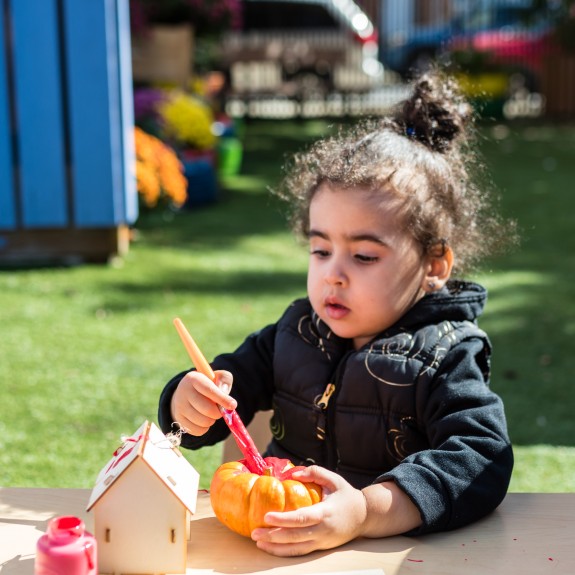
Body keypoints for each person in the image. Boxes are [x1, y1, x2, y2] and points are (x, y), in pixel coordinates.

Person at [158, 70, 514, 557]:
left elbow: (481, 458)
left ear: (435, 265)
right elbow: (227, 389)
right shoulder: (294, 332)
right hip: (275, 548)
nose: (333, 275)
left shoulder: (446, 356)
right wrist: (187, 404)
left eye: (363, 256)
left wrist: (366, 512)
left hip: (389, 561)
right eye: (321, 250)